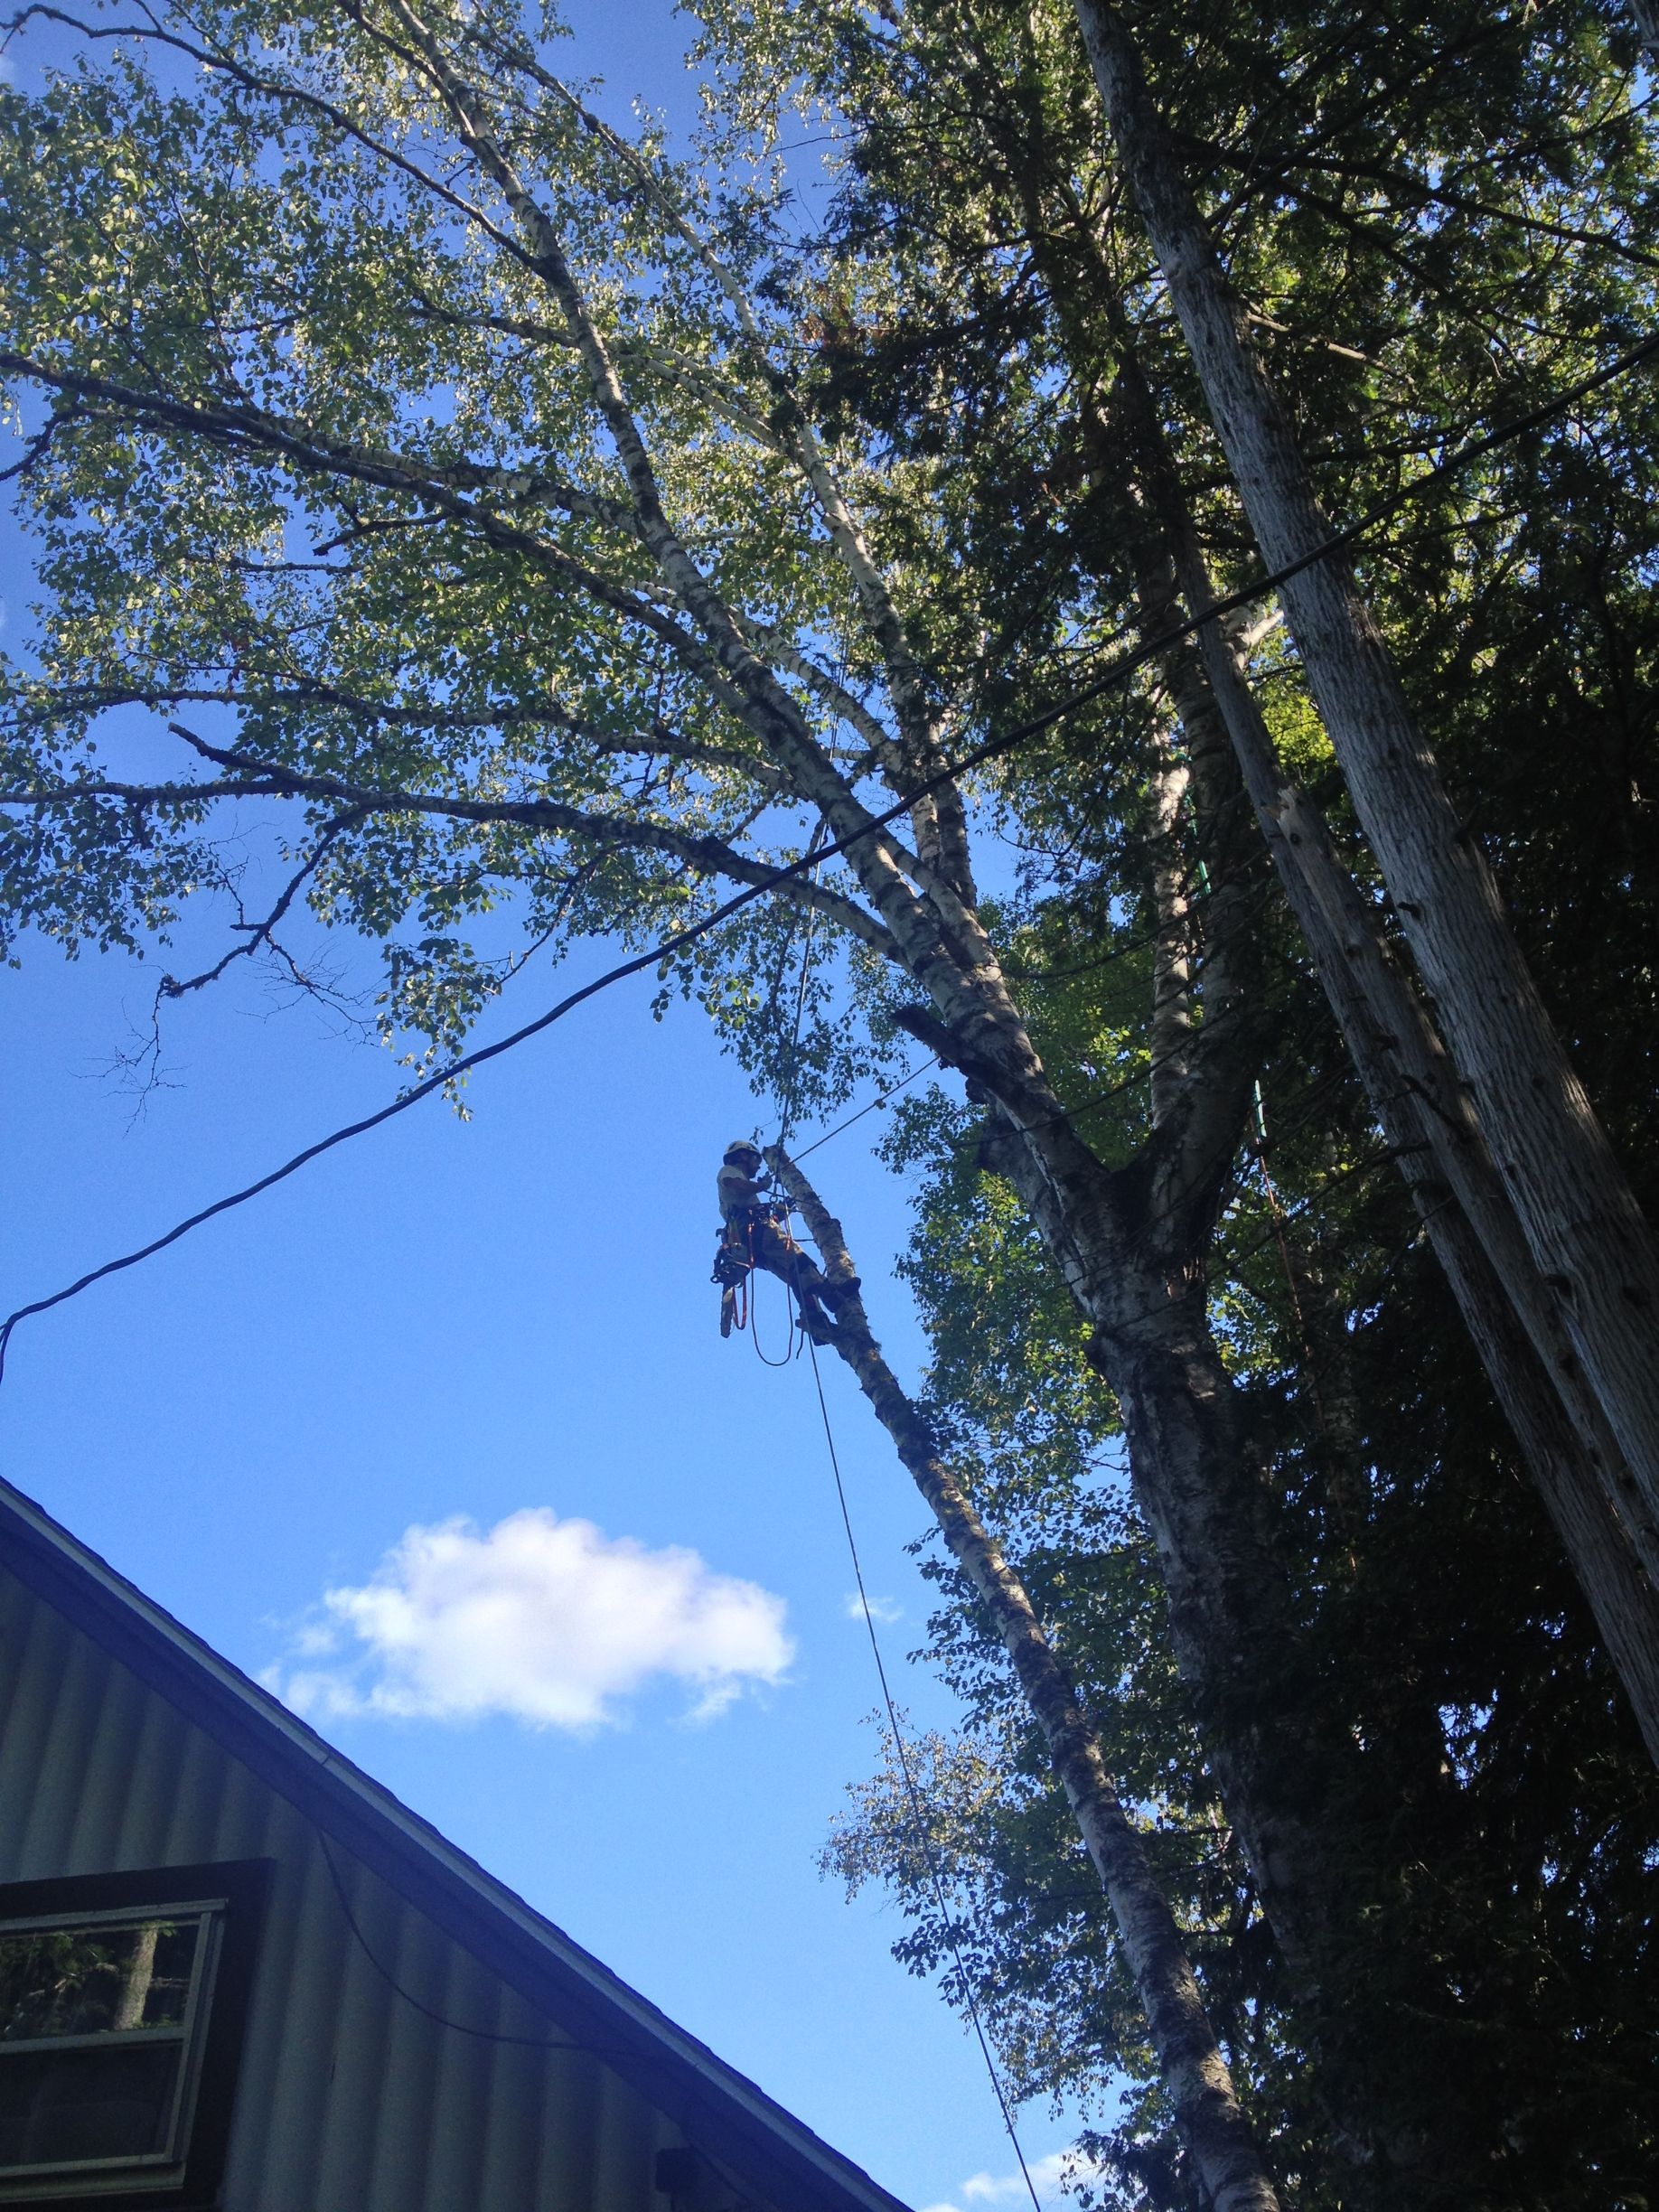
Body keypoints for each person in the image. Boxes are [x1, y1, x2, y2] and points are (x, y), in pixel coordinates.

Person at [716, 1141, 855, 1325]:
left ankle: (815, 1320)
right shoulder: (729, 1171)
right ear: (743, 1156)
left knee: (795, 1276)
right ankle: (832, 1295)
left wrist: (780, 1214)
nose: (758, 1166)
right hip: (757, 1232)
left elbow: (752, 1211)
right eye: (756, 1159)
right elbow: (738, 1187)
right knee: (798, 1260)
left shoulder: (741, 1201)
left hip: (753, 1244)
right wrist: (761, 1185)